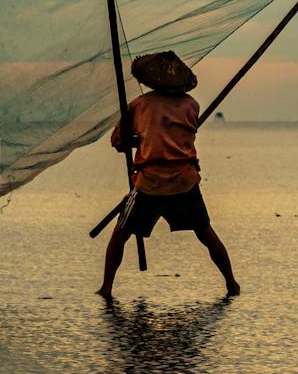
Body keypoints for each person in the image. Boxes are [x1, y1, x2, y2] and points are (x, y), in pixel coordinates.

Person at [98, 50, 240, 300]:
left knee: (120, 234)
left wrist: (137, 139)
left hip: (150, 183)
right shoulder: (191, 105)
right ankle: (231, 283)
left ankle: (107, 287)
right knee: (205, 232)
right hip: (184, 180)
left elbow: (118, 142)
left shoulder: (140, 105)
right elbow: (180, 133)